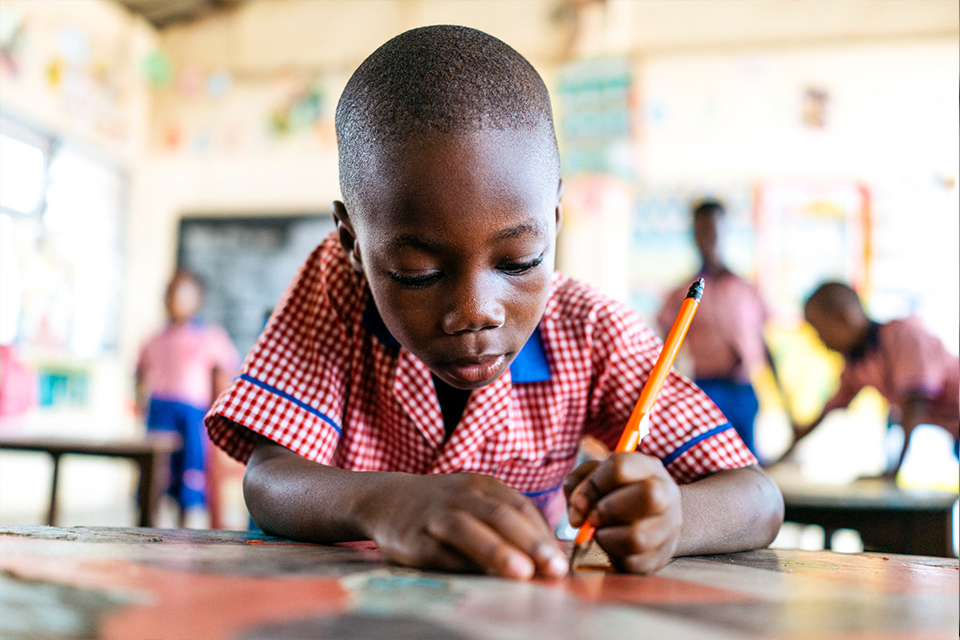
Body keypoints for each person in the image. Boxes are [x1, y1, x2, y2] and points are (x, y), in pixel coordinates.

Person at [205, 25, 783, 579]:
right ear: (353, 243)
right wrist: (387, 503)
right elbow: (269, 478)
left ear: (554, 222)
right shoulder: (336, 294)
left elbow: (757, 499)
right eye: (417, 272)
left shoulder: (587, 331)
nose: (476, 310)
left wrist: (673, 521)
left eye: (519, 261)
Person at [786, 281, 959, 477]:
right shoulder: (857, 362)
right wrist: (784, 452)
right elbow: (831, 407)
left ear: (844, 318)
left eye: (819, 331)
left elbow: (914, 406)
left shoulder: (901, 336)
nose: (821, 342)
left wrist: (893, 472)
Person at [656, 200, 783, 457]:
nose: (710, 237)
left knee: (748, 460)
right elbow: (665, 346)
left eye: (715, 229)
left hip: (745, 388)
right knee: (712, 458)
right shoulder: (682, 292)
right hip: (706, 388)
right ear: (694, 235)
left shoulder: (747, 289)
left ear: (725, 232)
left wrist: (783, 396)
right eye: (703, 230)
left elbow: (764, 341)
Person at [136, 270, 239, 526]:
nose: (176, 299)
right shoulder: (155, 339)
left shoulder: (210, 337)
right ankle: (149, 524)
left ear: (198, 300)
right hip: (160, 411)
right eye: (171, 293)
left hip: (193, 415)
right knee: (157, 473)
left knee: (189, 471)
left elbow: (226, 373)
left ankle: (184, 526)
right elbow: (140, 373)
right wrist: (139, 404)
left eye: (183, 294)